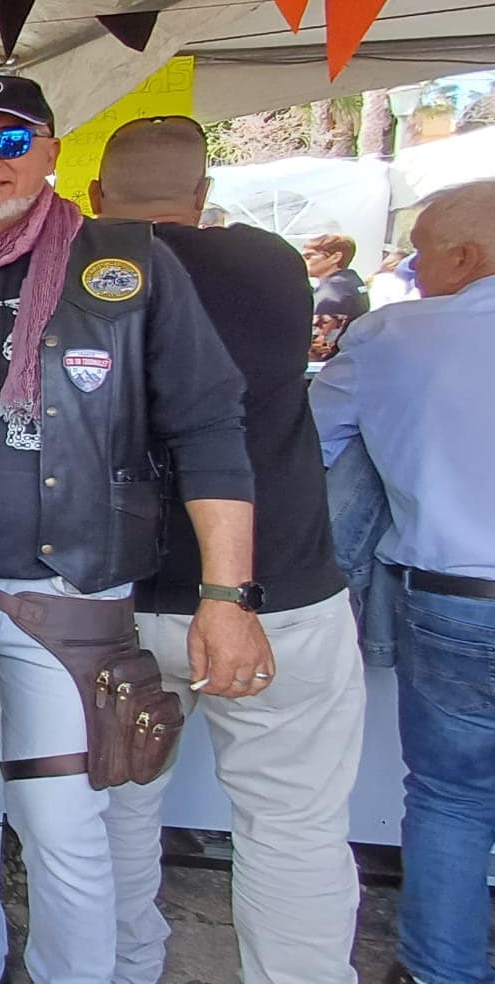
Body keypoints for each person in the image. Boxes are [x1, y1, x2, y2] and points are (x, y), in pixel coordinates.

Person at [0, 75, 257, 984]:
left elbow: (211, 428)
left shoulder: (128, 263)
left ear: (56, 151)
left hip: (68, 605)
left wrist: (227, 595)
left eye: (9, 140)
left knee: (63, 828)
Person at [89, 116, 364, 984]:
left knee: (116, 816)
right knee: (293, 827)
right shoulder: (271, 264)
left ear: (96, 200)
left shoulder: (81, 283)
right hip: (269, 589)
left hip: (116, 597)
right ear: (205, 197)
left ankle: (128, 970)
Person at [310, 180, 495, 984]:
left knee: (453, 797)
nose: (413, 268)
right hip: (454, 596)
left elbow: (310, 441)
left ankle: (440, 972)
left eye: (421, 252)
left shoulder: (393, 336)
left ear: (467, 255)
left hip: (456, 596)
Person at [302, 232, 369, 361]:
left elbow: (317, 351)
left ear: (335, 257)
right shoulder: (351, 281)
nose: (303, 261)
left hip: (327, 370)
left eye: (309, 256)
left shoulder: (333, 292)